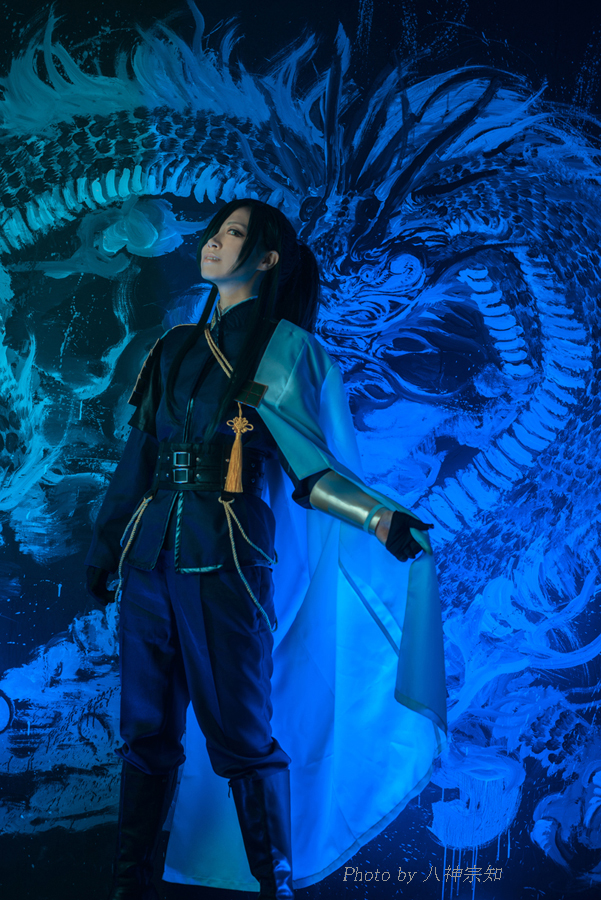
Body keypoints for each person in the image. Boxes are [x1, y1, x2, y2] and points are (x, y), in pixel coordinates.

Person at [86, 199, 446, 900]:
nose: (213, 241)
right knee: (145, 733)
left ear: (268, 258)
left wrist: (378, 518)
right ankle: (130, 889)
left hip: (229, 557)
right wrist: (106, 547)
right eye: (215, 231)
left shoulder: (289, 350)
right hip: (150, 555)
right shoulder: (172, 349)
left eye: (233, 234)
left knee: (243, 738)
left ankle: (274, 887)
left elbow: (312, 471)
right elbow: (139, 457)